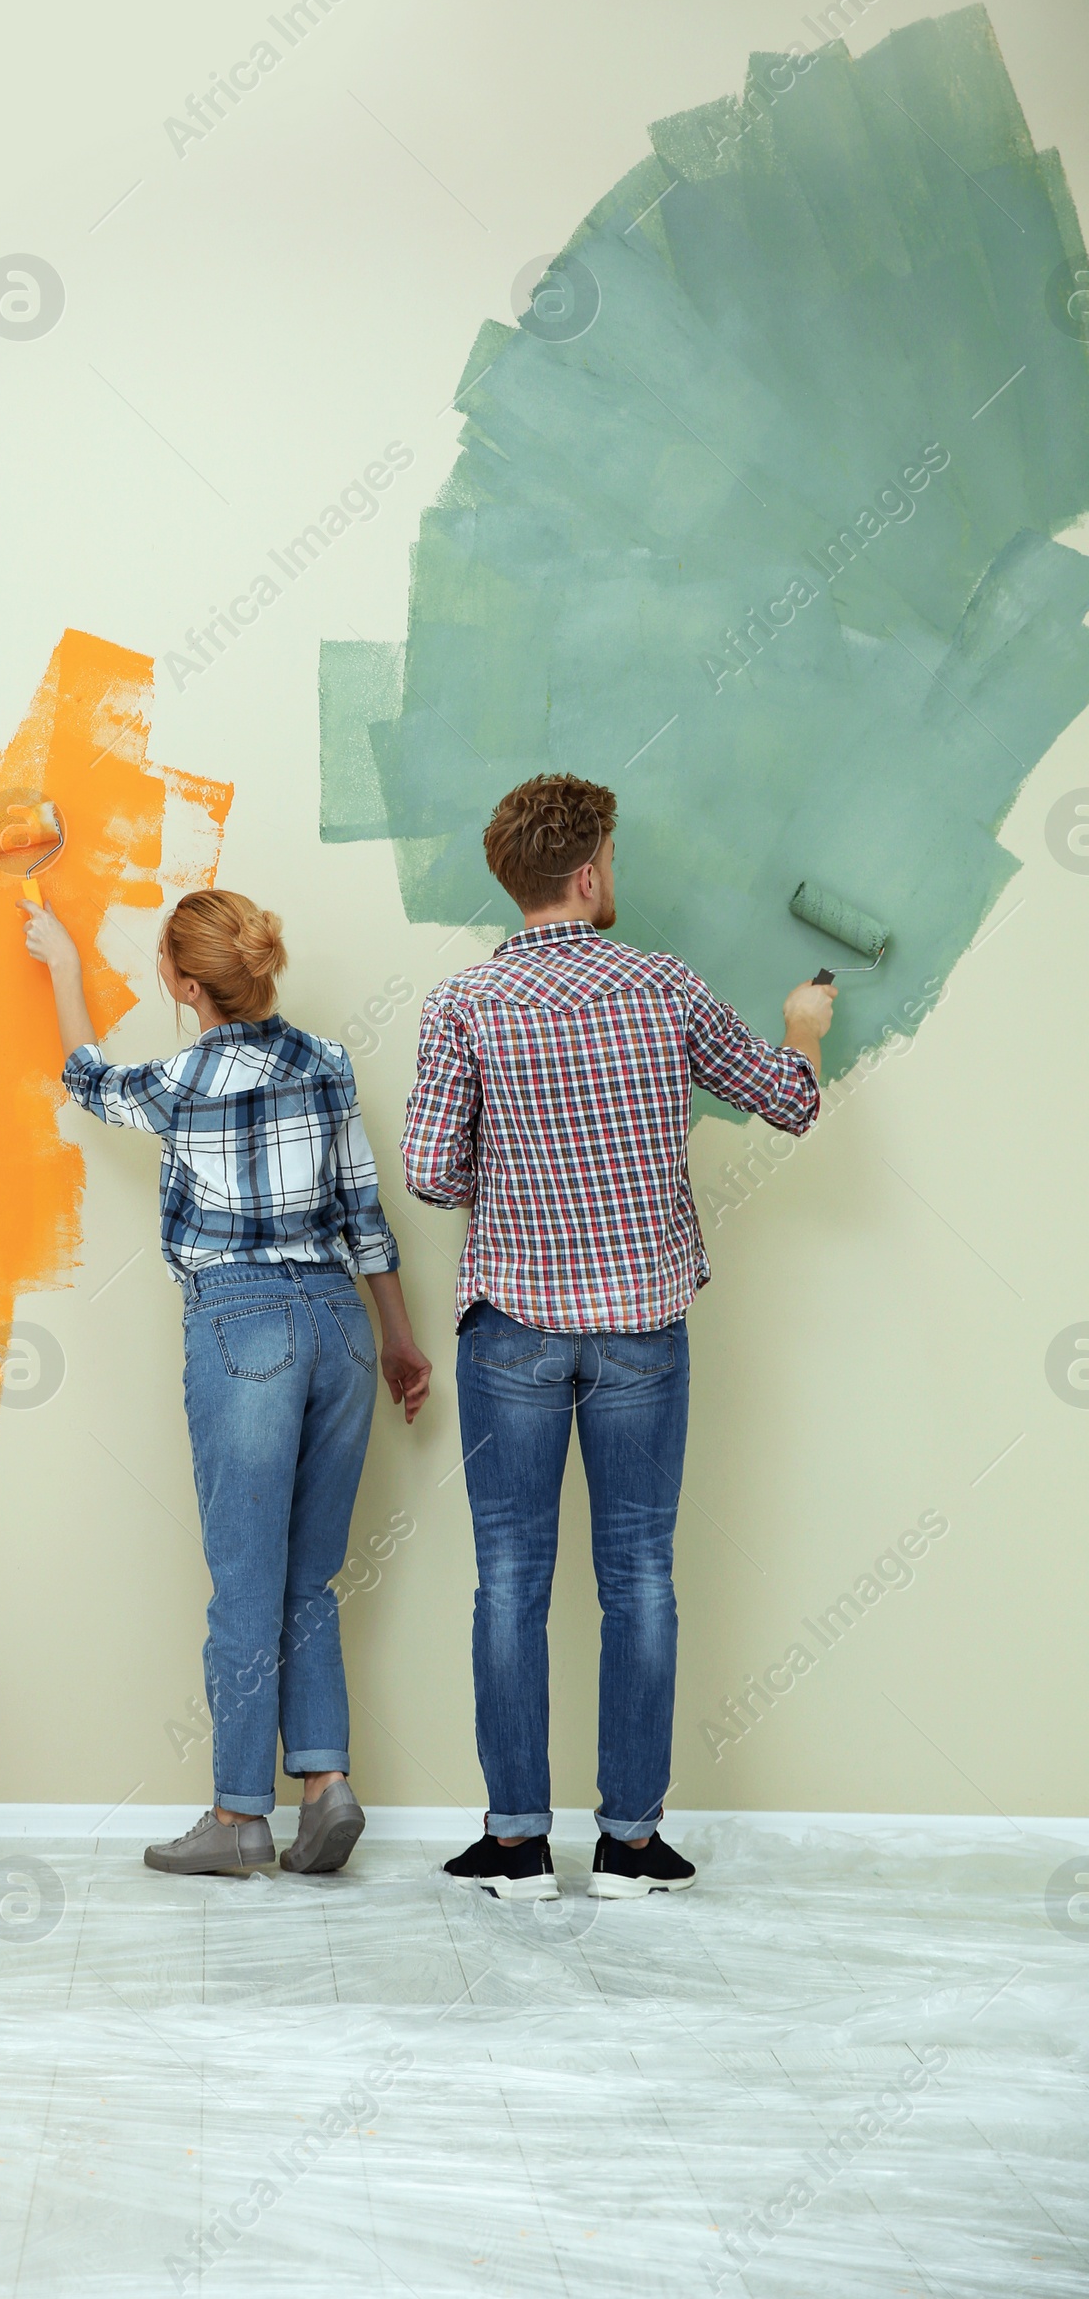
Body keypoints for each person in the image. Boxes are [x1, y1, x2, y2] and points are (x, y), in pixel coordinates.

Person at [402, 774, 834, 1901]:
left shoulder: (463, 1005)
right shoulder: (661, 986)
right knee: (639, 1575)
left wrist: (516, 1178)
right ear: (589, 873)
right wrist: (803, 1027)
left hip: (513, 1329)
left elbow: (429, 1172)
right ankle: (633, 1844)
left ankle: (514, 1845)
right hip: (642, 1323)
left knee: (510, 1580)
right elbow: (786, 1101)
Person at [23, 885, 432, 1878]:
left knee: (243, 1584)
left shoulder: (183, 1079)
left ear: (187, 983)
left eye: (166, 964)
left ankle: (237, 1816)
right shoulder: (328, 1063)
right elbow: (365, 1213)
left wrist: (63, 969)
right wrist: (398, 1341)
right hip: (339, 1322)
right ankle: (326, 1786)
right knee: (309, 1580)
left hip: (242, 1323)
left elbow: (87, 1080)